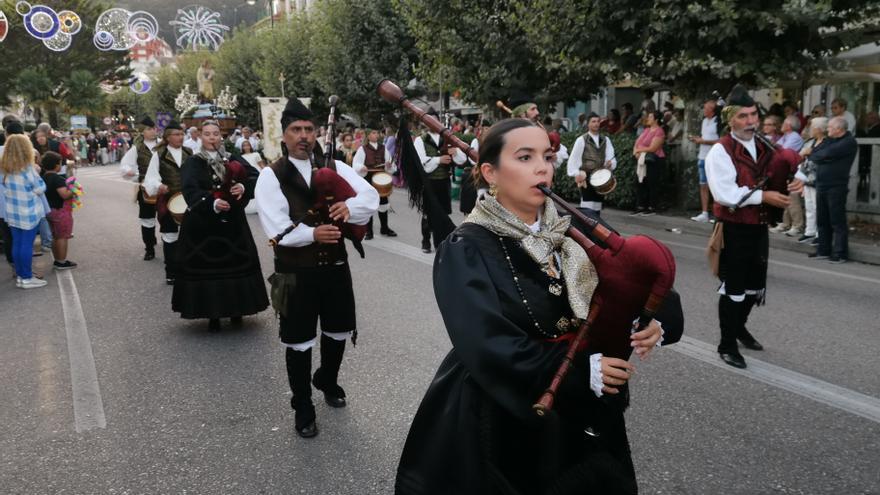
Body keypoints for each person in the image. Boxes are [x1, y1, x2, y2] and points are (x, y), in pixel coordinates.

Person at [395, 119, 676, 494]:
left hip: (584, 410)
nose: (542, 167)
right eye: (525, 157)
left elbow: (641, 282)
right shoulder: (467, 247)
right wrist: (578, 372)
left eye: (547, 156)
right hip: (505, 408)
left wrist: (654, 321)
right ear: (489, 172)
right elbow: (484, 340)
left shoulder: (581, 226)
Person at [254, 98, 378, 438]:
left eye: (309, 129)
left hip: (335, 268)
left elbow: (369, 197)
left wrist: (348, 207)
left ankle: (328, 378)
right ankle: (303, 404)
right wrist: (312, 233)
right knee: (299, 340)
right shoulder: (270, 176)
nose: (304, 136)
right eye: (296, 130)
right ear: (284, 135)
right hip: (296, 272)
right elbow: (276, 230)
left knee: (338, 330)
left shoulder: (335, 166)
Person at [704, 85, 804, 369]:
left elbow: (789, 161)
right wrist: (765, 196)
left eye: (753, 115)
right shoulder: (720, 151)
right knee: (733, 288)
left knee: (754, 287)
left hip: (758, 227)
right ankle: (726, 344)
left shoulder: (764, 144)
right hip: (734, 228)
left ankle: (739, 328)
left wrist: (800, 179)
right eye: (743, 117)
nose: (751, 122)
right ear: (730, 120)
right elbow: (724, 193)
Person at [171, 120, 268, 331]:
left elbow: (255, 177)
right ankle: (212, 315)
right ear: (201, 137)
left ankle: (237, 311)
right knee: (210, 268)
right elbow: (190, 190)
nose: (212, 137)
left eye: (215, 133)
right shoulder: (193, 162)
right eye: (207, 134)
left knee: (235, 265)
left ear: (220, 136)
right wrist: (212, 203)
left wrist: (242, 186)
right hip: (204, 225)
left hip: (232, 225)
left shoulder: (231, 158)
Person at [142, 121, 192, 285]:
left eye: (182, 134)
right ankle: (171, 272)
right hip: (169, 199)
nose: (180, 137)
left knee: (190, 235)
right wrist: (159, 186)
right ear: (168, 137)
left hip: (189, 199)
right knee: (170, 236)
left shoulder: (189, 152)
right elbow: (151, 177)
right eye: (176, 134)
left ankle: (189, 269)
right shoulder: (160, 154)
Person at [413, 110, 467, 252]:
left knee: (443, 213)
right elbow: (420, 161)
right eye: (430, 120)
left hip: (444, 181)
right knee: (428, 212)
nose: (433, 123)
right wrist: (439, 159)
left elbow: (462, 159)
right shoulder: (420, 140)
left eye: (435, 120)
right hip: (428, 183)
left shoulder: (448, 137)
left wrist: (456, 152)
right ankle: (426, 241)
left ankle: (440, 242)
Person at [806, 116, 858, 264]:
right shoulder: (829, 140)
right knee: (822, 220)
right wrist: (818, 155)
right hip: (821, 183)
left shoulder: (848, 142)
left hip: (836, 186)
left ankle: (841, 253)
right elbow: (816, 152)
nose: (827, 129)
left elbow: (823, 154)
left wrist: (818, 155)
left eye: (829, 127)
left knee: (837, 220)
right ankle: (823, 250)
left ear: (838, 129)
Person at [1, 134, 47, 289]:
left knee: (17, 244)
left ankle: (21, 276)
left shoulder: (4, 168)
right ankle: (27, 278)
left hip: (12, 212)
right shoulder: (27, 169)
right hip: (28, 212)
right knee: (27, 245)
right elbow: (40, 188)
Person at [120, 116, 161, 260]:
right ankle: (149, 248)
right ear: (143, 132)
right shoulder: (136, 148)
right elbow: (126, 164)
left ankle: (170, 244)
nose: (153, 131)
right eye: (149, 129)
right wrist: (130, 172)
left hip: (163, 187)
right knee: (147, 219)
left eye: (154, 128)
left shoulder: (163, 145)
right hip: (146, 188)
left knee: (166, 218)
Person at [567, 113, 617, 215]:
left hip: (600, 176)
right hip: (587, 175)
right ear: (588, 124)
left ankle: (596, 229)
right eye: (593, 122)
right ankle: (586, 229)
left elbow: (611, 156)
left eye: (598, 121)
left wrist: (610, 163)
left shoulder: (605, 140)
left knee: (597, 205)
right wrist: (576, 173)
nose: (596, 124)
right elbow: (573, 159)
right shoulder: (581, 140)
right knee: (587, 206)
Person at [352, 127, 397, 239]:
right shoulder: (363, 149)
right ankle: (369, 231)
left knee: (383, 204)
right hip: (368, 179)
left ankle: (384, 228)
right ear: (368, 135)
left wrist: (389, 165)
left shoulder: (383, 148)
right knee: (369, 205)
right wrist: (361, 167)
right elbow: (356, 164)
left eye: (377, 132)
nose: (376, 134)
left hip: (381, 177)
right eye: (373, 132)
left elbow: (390, 163)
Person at [40, 151, 77, 270]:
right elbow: (64, 195)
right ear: (57, 165)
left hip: (48, 210)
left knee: (55, 236)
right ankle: (61, 261)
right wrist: (73, 189)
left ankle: (57, 260)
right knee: (62, 236)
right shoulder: (57, 179)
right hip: (60, 210)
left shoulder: (43, 177)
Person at [688, 98, 720, 222]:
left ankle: (718, 213)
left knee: (715, 185)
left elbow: (721, 140)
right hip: (702, 156)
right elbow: (705, 137)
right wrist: (698, 139)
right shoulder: (704, 121)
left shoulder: (718, 122)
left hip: (713, 158)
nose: (703, 110)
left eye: (706, 108)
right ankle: (704, 213)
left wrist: (703, 141)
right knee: (703, 185)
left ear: (712, 110)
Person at [796, 117, 827, 244]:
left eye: (812, 127)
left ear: (819, 129)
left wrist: (810, 152)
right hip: (807, 177)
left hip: (820, 178)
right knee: (809, 206)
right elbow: (801, 156)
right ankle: (810, 232)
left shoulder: (827, 142)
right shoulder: (810, 141)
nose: (810, 129)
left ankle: (820, 234)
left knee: (818, 207)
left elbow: (824, 157)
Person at [632, 110, 666, 216]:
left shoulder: (659, 131)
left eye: (650, 117)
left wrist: (639, 150)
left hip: (654, 160)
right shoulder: (646, 130)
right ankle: (641, 206)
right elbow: (637, 143)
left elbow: (653, 148)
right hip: (642, 159)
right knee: (640, 182)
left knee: (652, 183)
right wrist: (636, 152)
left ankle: (652, 207)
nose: (648, 119)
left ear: (656, 119)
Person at [460, 119, 491, 215]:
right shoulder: (476, 141)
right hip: (477, 173)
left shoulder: (492, 141)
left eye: (488, 128)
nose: (487, 130)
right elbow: (471, 159)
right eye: (485, 128)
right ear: (481, 129)